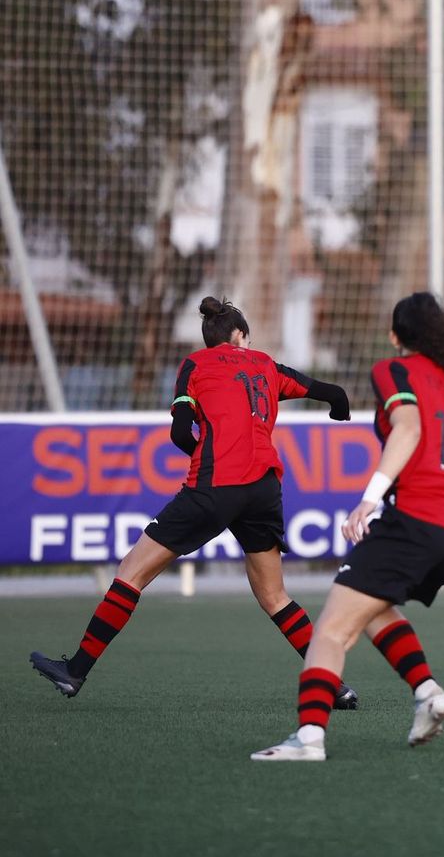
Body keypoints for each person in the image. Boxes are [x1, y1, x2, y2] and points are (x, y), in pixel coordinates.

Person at [29, 296, 357, 705]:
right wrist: (338, 412)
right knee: (275, 596)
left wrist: (208, 455)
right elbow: (332, 392)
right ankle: (334, 685)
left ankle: (75, 671)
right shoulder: (266, 366)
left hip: (214, 486)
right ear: (241, 336)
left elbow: (181, 433)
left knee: (131, 572)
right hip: (264, 490)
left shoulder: (195, 366)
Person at [251, 292, 444, 761]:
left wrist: (369, 499)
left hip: (416, 521)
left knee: (330, 631)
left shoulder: (394, 370)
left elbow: (408, 429)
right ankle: (427, 692)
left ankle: (308, 738)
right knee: (370, 607)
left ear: (394, 336)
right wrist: (438, 466)